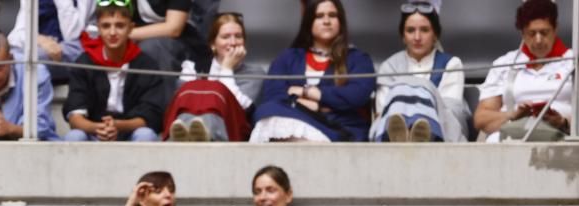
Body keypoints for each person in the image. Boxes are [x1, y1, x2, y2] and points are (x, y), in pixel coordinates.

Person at [249, 0, 374, 144]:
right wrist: (310, 105)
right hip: (294, 117)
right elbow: (273, 93)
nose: (326, 21)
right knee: (268, 109)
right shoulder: (288, 57)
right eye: (319, 16)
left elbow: (357, 95)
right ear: (309, 22)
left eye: (332, 15)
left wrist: (311, 94)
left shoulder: (358, 58)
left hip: (340, 128)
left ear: (341, 22)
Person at [473, 0, 579, 143]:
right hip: (510, 136)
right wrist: (512, 115)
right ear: (522, 33)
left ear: (555, 28)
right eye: (531, 33)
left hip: (560, 137)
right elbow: (481, 118)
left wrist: (563, 121)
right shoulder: (504, 63)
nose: (538, 40)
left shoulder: (575, 61)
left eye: (544, 32)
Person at [62, 0, 164, 143]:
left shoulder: (145, 65)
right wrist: (99, 128)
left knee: (146, 135)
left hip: (129, 132)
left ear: (131, 28)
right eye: (106, 26)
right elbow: (74, 117)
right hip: (95, 132)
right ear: (98, 28)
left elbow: (151, 115)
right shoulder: (85, 63)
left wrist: (118, 126)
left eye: (120, 26)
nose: (112, 32)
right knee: (74, 137)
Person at [370, 1, 467, 143]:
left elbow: (450, 112)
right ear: (403, 35)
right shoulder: (389, 67)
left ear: (435, 34)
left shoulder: (451, 64)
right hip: (391, 137)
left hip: (441, 135)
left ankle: (420, 136)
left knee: (408, 86)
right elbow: (382, 114)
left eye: (424, 30)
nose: (417, 37)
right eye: (410, 30)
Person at [165, 10, 260, 142]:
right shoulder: (194, 67)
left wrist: (227, 68)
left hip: (231, 131)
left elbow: (241, 109)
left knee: (211, 107)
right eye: (226, 37)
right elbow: (180, 101)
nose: (233, 42)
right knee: (191, 99)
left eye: (238, 36)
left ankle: (202, 134)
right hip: (185, 123)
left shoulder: (254, 73)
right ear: (213, 44)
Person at [6, 0, 95, 84]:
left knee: (25, 59)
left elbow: (72, 34)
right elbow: (16, 35)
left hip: (73, 47)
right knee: (11, 57)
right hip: (42, 46)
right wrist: (39, 39)